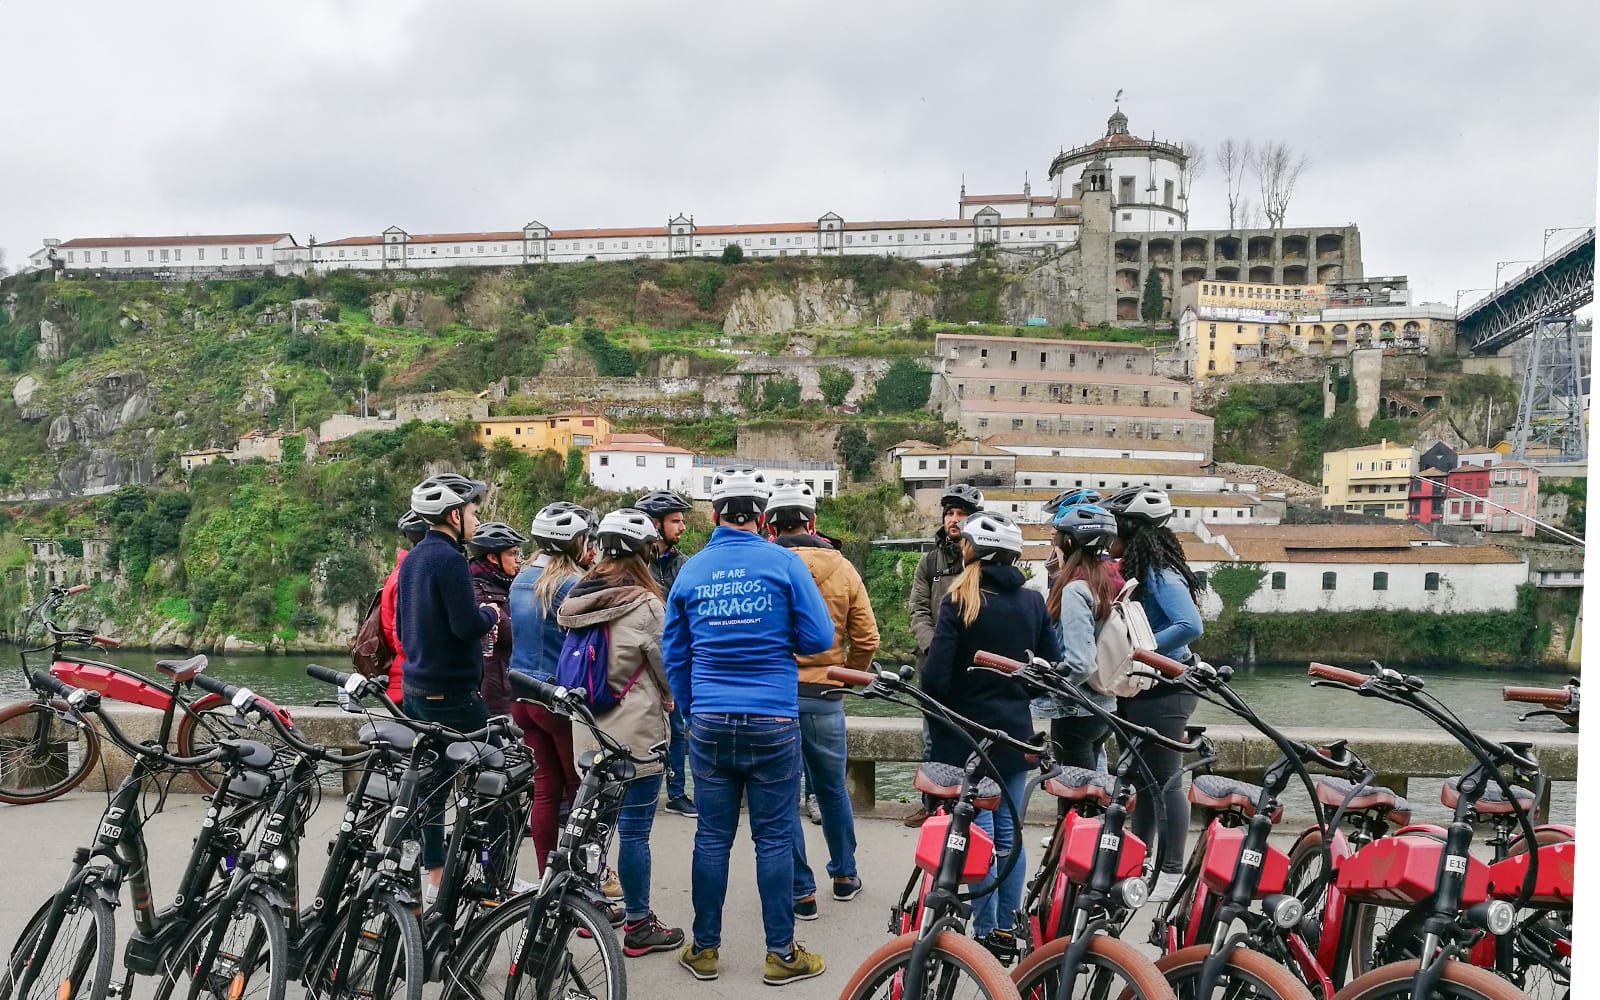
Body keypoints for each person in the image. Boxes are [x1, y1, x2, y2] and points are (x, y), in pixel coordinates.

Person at [664, 467, 835, 987]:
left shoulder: (691, 571)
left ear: (713, 516)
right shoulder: (783, 561)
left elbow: (674, 655)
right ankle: (781, 954)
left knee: (712, 838)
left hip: (711, 719)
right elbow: (819, 639)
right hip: (773, 718)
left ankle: (705, 950)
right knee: (774, 838)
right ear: (761, 518)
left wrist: (695, 712)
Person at [921, 511, 1060, 962]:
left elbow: (936, 676)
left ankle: (983, 931)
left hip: (965, 737)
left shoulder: (960, 600)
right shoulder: (1033, 602)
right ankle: (1003, 927)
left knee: (976, 833)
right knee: (1010, 835)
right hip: (1015, 736)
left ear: (972, 552)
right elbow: (1048, 673)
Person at [556, 508, 685, 957]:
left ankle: (587, 912)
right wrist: (671, 698)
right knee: (633, 833)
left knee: (592, 826)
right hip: (635, 735)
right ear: (643, 552)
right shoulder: (647, 604)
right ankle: (639, 924)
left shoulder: (576, 598)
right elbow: (669, 667)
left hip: (587, 731)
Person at [765, 480, 879, 912]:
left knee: (782, 796)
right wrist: (848, 677)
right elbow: (867, 637)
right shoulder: (843, 567)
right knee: (832, 790)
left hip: (776, 696)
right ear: (812, 522)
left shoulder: (768, 566)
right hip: (826, 693)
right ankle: (845, 874)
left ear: (770, 526)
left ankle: (801, 890)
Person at [395, 473, 499, 901]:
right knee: (500, 771)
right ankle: (492, 880)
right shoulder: (451, 560)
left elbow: (402, 628)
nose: (476, 519)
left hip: (417, 690)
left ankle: (432, 872)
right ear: (454, 515)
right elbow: (464, 625)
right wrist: (489, 614)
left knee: (433, 784)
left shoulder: (414, 559)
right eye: (473, 511)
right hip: (453, 695)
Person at [1102, 487, 1204, 903]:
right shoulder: (1140, 567)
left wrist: (1140, 649)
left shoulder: (1160, 572)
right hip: (1144, 687)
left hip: (1166, 688)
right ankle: (1139, 863)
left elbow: (1189, 624)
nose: (1109, 538)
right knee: (1144, 782)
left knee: (1166, 781)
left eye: (1114, 529)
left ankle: (1172, 871)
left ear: (1131, 530)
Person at [508, 502, 597, 876]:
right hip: (556, 701)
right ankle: (579, 879)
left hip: (522, 696)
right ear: (576, 541)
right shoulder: (570, 583)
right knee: (581, 793)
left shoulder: (521, 577)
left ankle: (549, 876)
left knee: (545, 791)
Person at [903, 482, 985, 828]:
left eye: (961, 514)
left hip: (973, 668)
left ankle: (971, 802)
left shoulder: (982, 561)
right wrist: (937, 648)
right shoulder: (930, 561)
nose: (954, 520)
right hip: (933, 666)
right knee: (931, 739)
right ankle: (933, 802)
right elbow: (918, 609)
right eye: (950, 513)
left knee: (973, 739)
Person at [1037, 503, 1122, 819]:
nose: (1054, 543)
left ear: (1070, 542)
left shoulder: (1075, 589)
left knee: (1077, 807)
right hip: (1104, 706)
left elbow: (1082, 662)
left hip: (1077, 709)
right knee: (1090, 800)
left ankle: (1081, 866)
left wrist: (1056, 687)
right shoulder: (1102, 581)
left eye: (1057, 537)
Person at [633, 489, 697, 818]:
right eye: (676, 521)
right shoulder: (634, 564)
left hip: (673, 660)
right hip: (635, 663)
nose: (682, 527)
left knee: (677, 731)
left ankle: (676, 792)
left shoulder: (684, 564)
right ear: (655, 525)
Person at [466, 522, 528, 719]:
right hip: (494, 692)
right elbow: (511, 635)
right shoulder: (479, 591)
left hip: (507, 686)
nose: (518, 560)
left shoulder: (504, 585)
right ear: (493, 557)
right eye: (512, 554)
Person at [380, 510, 430, 704]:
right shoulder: (411, 576)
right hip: (413, 683)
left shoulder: (402, 571)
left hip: (403, 680)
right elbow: (401, 638)